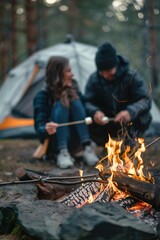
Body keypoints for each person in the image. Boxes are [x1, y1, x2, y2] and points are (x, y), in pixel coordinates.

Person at [33, 56, 98, 169]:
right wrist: (46, 129)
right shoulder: (43, 96)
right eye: (68, 71)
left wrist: (96, 112)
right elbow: (39, 129)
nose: (72, 74)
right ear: (58, 74)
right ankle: (62, 152)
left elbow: (86, 106)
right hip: (55, 143)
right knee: (62, 103)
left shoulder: (74, 88)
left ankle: (87, 147)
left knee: (75, 101)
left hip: (76, 140)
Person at [85, 42, 152, 147]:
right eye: (102, 72)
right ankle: (106, 145)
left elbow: (145, 100)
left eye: (108, 70)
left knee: (144, 116)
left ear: (115, 65)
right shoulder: (94, 79)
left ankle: (130, 142)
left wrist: (130, 112)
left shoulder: (131, 76)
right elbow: (88, 102)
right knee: (86, 117)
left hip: (129, 122)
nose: (105, 75)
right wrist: (95, 111)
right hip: (106, 122)